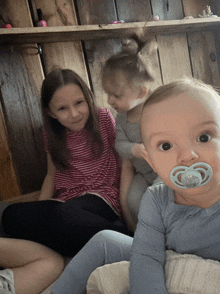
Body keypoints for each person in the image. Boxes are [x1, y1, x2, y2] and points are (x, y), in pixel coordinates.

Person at [50, 77, 220, 294]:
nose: (187, 156)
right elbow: (146, 258)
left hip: (198, 269)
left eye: (203, 137)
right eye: (166, 145)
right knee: (103, 240)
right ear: (151, 161)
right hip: (165, 255)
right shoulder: (156, 198)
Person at [0, 69, 130, 257]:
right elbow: (51, 175)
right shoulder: (50, 133)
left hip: (102, 197)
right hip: (66, 201)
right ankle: (98, 244)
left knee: (62, 216)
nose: (74, 114)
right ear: (50, 112)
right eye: (62, 108)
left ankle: (128, 239)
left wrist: (126, 210)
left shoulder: (102, 117)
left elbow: (123, 163)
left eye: (79, 103)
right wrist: (41, 209)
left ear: (88, 98)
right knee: (11, 215)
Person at [101, 36, 160, 231]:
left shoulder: (157, 110)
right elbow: (119, 145)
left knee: (159, 197)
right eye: (107, 93)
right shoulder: (122, 119)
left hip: (167, 171)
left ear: (142, 92)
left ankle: (167, 230)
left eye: (116, 95)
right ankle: (144, 231)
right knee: (133, 199)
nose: (109, 100)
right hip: (144, 174)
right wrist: (134, 149)